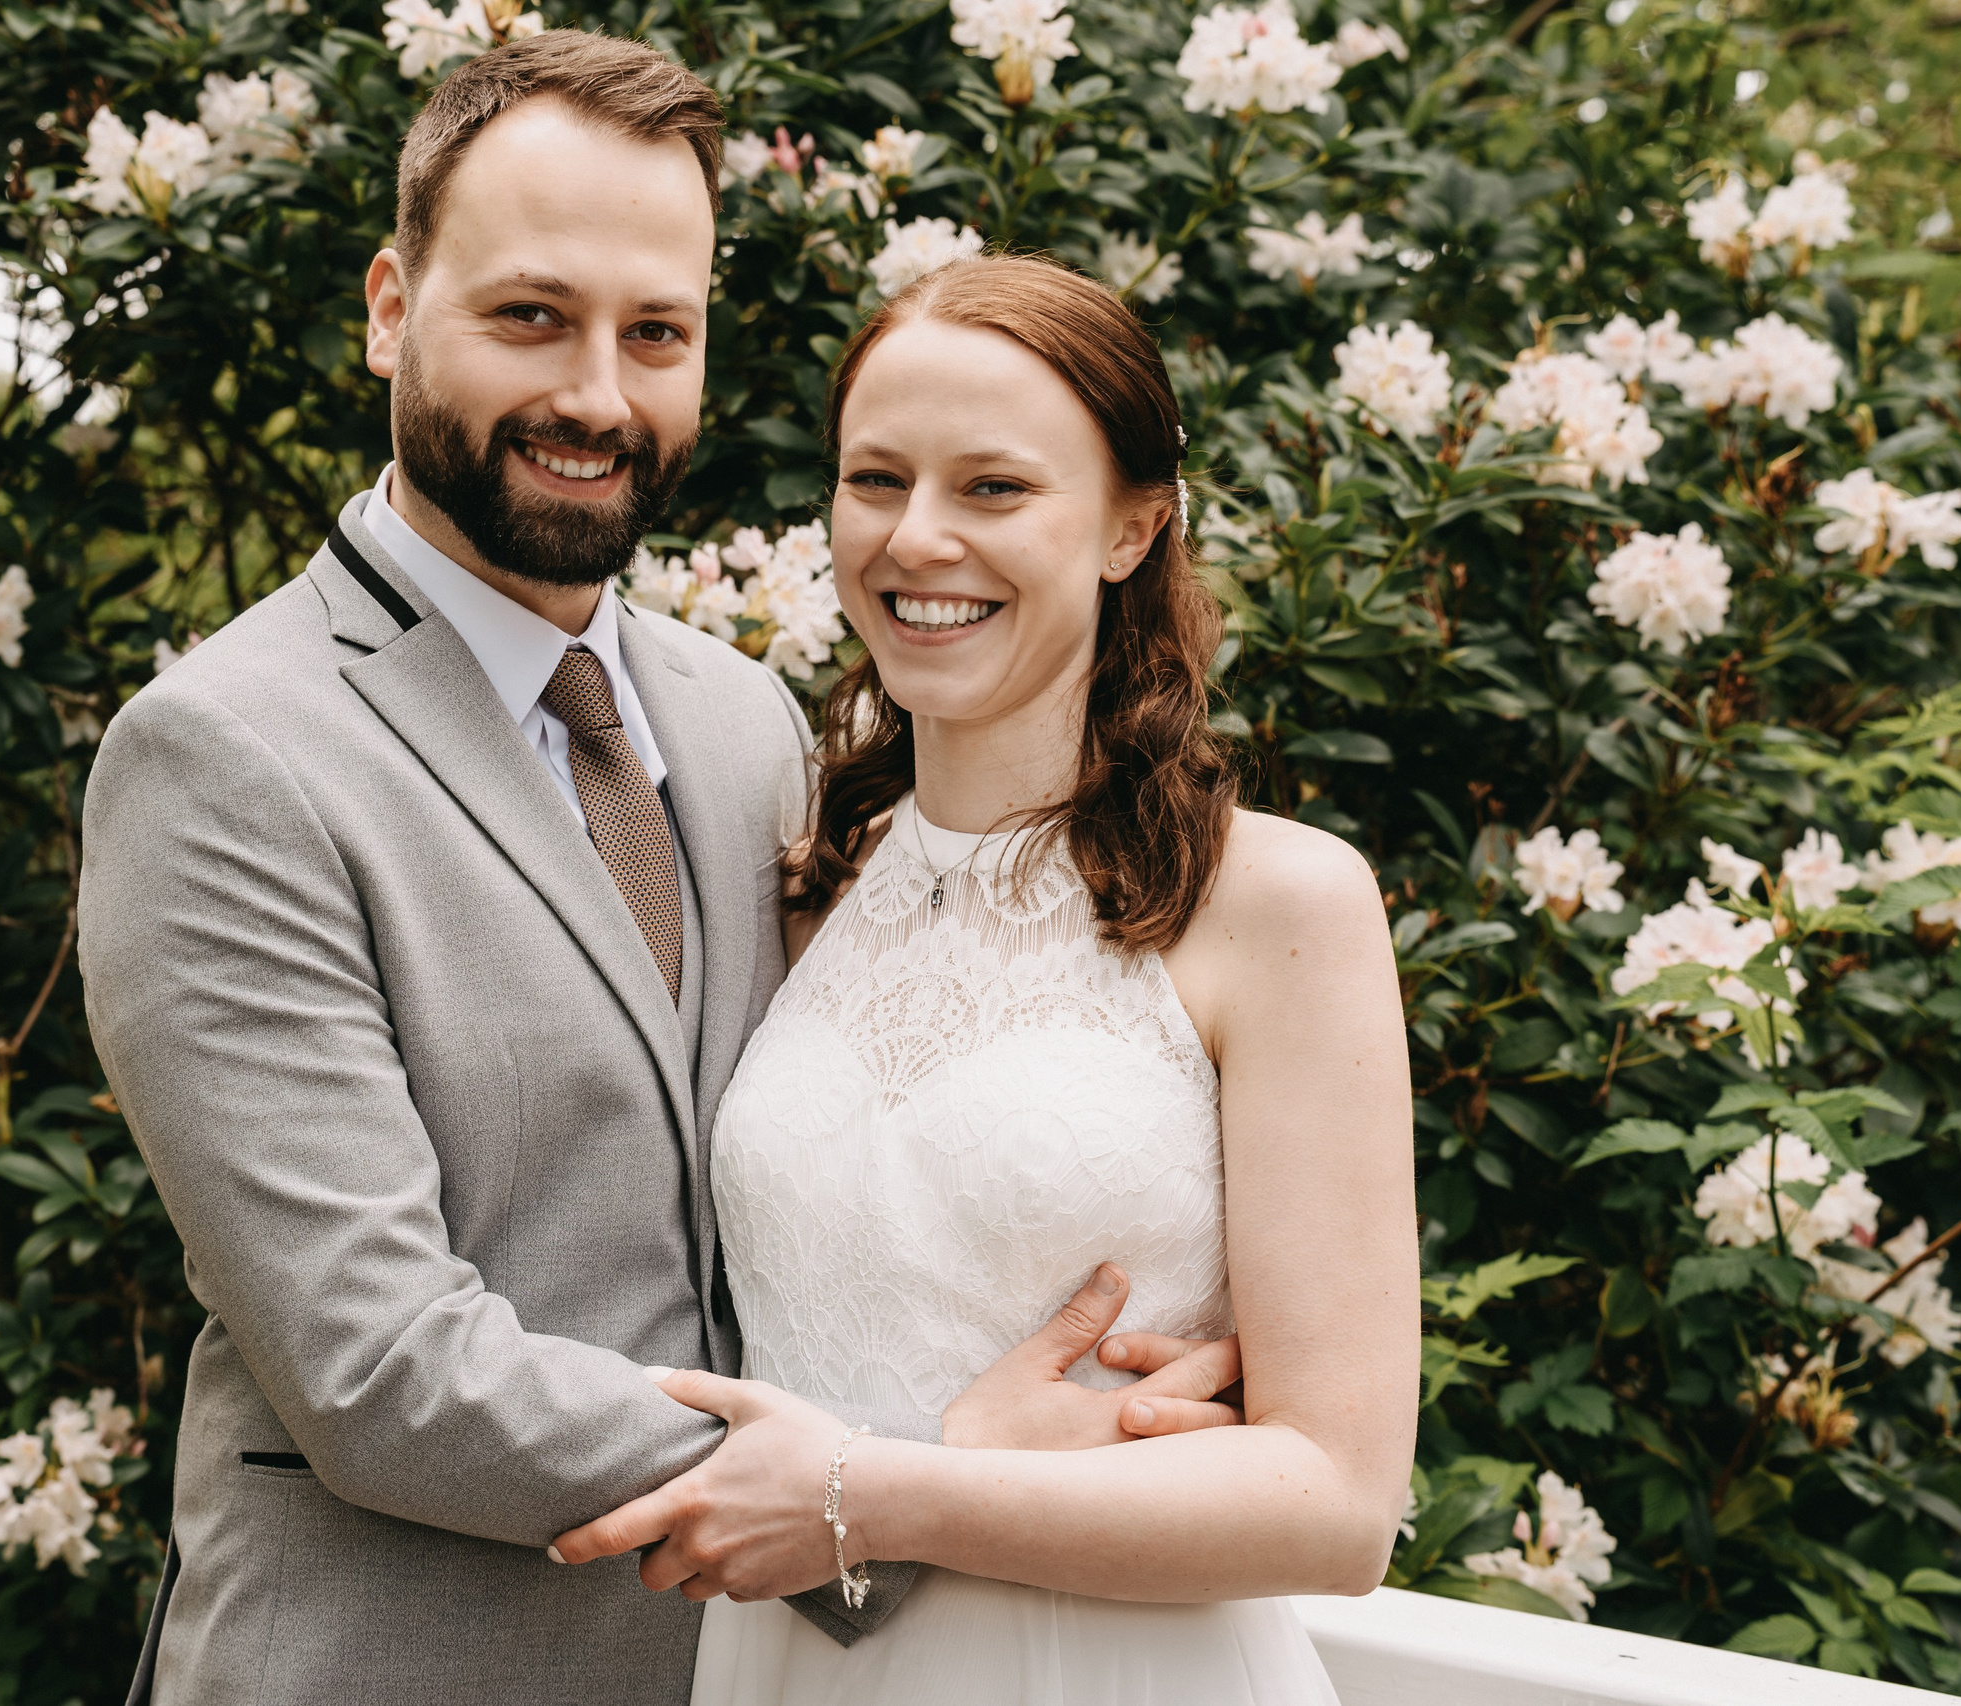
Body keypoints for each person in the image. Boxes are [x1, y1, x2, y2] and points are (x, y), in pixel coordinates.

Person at [78, 38, 1240, 1706]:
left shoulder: (746, 719)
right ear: (391, 308)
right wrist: (902, 1473)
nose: (599, 397)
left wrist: (1165, 1342)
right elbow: (378, 1367)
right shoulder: (223, 756)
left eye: (657, 333)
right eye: (531, 317)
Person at [549, 255, 1420, 1705]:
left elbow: (1335, 1501)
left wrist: (874, 1493)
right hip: (791, 1668)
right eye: (876, 480)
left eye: (997, 489)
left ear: (1134, 526)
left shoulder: (1275, 904)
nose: (919, 539)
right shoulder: (795, 882)